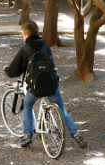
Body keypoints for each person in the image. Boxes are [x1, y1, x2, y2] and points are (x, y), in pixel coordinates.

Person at [5, 21, 87, 149]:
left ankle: (27, 135)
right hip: (52, 85)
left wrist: (7, 71)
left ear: (26, 34)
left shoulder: (25, 49)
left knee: (27, 104)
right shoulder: (46, 47)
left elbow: (14, 70)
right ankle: (76, 133)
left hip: (35, 88)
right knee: (62, 109)